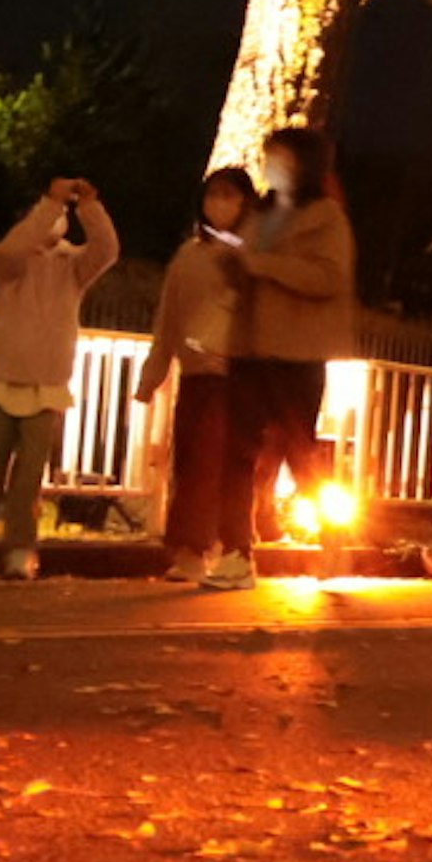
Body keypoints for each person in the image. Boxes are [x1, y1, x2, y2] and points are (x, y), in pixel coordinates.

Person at [0, 177, 120, 582]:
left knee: (28, 480)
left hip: (48, 384)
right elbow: (13, 247)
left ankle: (21, 548)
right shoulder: (10, 262)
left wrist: (90, 205)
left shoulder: (72, 265)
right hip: (1, 380)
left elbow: (107, 250)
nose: (54, 222)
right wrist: (52, 203)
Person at [208, 127, 356, 593]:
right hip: (250, 348)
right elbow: (247, 265)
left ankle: (333, 540)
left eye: (281, 159)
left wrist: (262, 265)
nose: (271, 167)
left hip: (298, 352)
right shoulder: (260, 213)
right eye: (269, 158)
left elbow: (329, 278)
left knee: (300, 452)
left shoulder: (327, 218)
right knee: (238, 452)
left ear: (303, 165)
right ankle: (235, 552)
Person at [140, 167, 257, 585]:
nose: (219, 203)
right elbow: (168, 320)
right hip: (196, 376)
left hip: (236, 376)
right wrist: (152, 375)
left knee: (222, 467)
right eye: (213, 194)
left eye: (229, 195)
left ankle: (229, 549)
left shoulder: (252, 256)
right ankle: (194, 550)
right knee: (191, 465)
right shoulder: (188, 256)